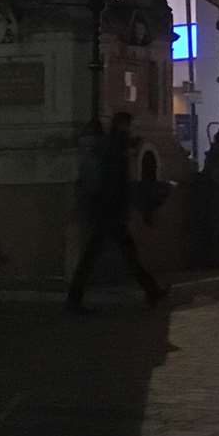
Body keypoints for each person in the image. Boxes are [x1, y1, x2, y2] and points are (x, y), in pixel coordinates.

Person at [66, 111, 168, 312]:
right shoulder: (115, 148)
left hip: (107, 211)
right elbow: (116, 183)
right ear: (123, 125)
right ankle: (74, 299)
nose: (129, 129)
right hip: (110, 212)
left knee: (115, 255)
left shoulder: (111, 146)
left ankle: (151, 290)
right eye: (128, 125)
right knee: (110, 255)